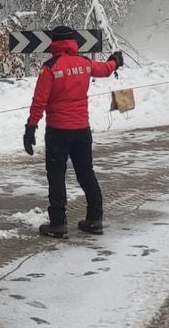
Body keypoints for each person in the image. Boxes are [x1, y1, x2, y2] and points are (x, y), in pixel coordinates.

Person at [23, 25, 123, 238]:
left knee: (57, 175)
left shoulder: (50, 67)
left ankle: (58, 224)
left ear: (54, 42)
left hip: (58, 130)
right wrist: (115, 61)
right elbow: (104, 70)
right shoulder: (84, 63)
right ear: (72, 42)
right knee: (86, 172)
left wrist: (31, 127)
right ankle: (95, 219)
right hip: (82, 130)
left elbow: (39, 101)